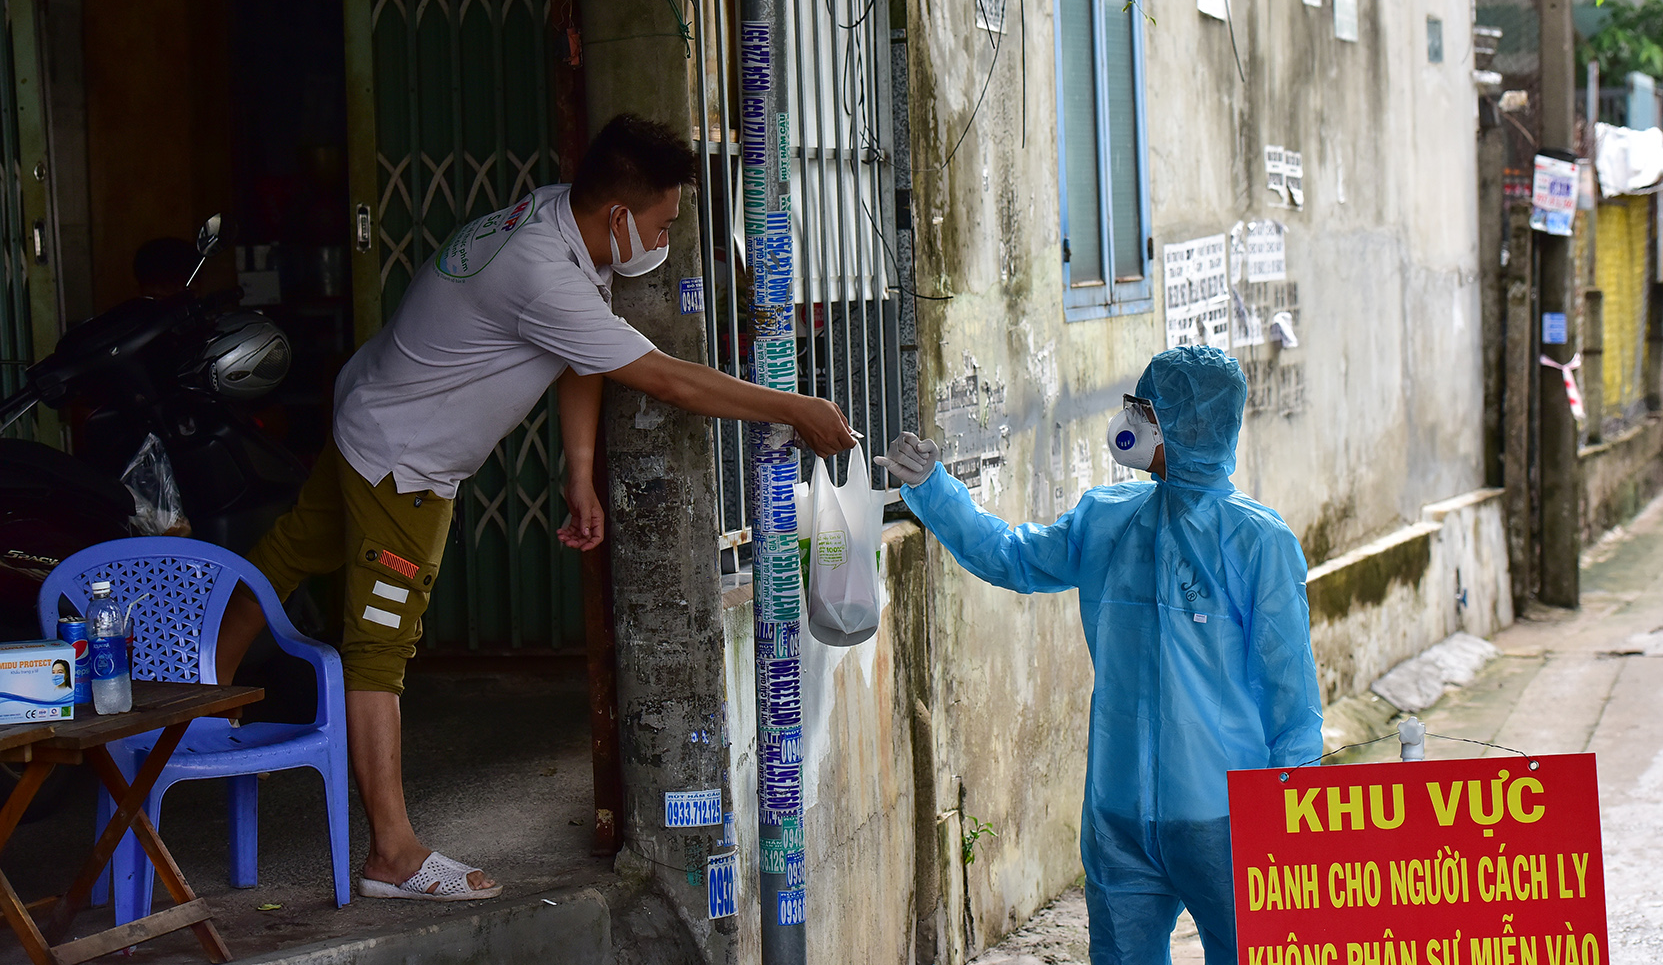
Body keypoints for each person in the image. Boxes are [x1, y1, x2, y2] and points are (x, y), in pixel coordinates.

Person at [214, 113, 857, 902]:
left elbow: (585, 348)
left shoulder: (558, 216)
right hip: (402, 465)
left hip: (368, 412)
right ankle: (392, 855)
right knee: (379, 648)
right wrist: (793, 408)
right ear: (620, 215)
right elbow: (663, 378)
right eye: (662, 221)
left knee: (288, 553)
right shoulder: (541, 270)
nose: (664, 237)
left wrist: (578, 471)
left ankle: (201, 691)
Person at [877, 345, 1322, 964]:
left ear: (1187, 428)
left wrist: (1293, 807)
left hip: (1225, 817)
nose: (1131, 420)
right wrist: (936, 489)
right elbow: (1013, 556)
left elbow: (1291, 696)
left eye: (1148, 411)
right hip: (1119, 815)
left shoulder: (1257, 542)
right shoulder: (1106, 521)